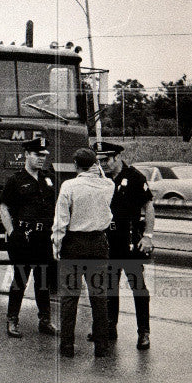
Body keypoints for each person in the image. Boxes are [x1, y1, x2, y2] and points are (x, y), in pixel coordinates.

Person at [52, 147, 114, 358]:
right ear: (95, 165)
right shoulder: (107, 185)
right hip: (98, 243)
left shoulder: (69, 186)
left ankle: (67, 346)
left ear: (75, 165)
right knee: (99, 297)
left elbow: (61, 220)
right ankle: (102, 346)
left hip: (74, 244)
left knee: (69, 297)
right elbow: (105, 178)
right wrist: (98, 169)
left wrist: (57, 245)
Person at [93, 141, 155, 349]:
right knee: (109, 286)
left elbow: (148, 205)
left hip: (130, 241)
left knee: (139, 289)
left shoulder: (135, 177)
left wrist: (147, 236)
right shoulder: (101, 179)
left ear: (117, 157)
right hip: (108, 242)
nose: (103, 164)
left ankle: (143, 332)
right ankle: (110, 326)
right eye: (99, 161)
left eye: (106, 160)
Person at [0, 137, 59, 338]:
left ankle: (45, 320)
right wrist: (11, 232)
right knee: (20, 279)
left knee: (43, 281)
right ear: (26, 154)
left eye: (44, 155)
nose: (41, 159)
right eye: (37, 154)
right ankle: (12, 320)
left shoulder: (49, 179)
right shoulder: (15, 180)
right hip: (23, 237)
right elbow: (4, 207)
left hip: (43, 237)